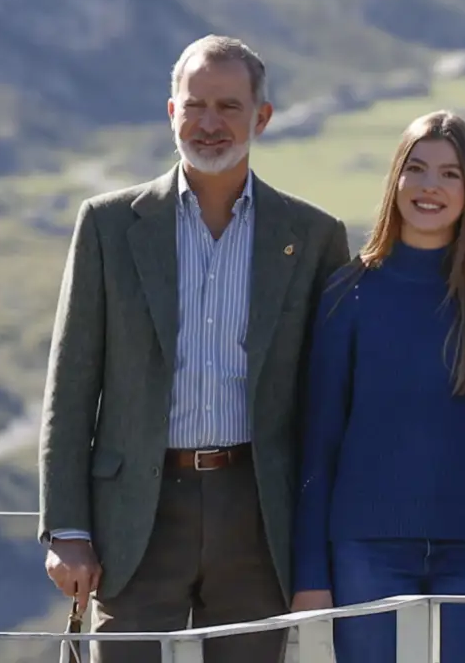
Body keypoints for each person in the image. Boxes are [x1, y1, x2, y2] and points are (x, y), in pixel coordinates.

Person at [37, 34, 351, 663]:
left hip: (257, 513)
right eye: (196, 104)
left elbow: (328, 403)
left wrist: (323, 541)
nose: (210, 123)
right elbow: (71, 386)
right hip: (135, 514)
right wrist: (67, 529)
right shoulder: (108, 225)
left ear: (261, 117)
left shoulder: (313, 237)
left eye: (229, 107)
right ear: (171, 111)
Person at [290, 110, 465, 663]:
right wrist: (311, 571)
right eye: (417, 169)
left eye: (450, 174)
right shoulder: (350, 291)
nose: (430, 186)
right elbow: (319, 441)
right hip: (366, 547)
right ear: (396, 180)